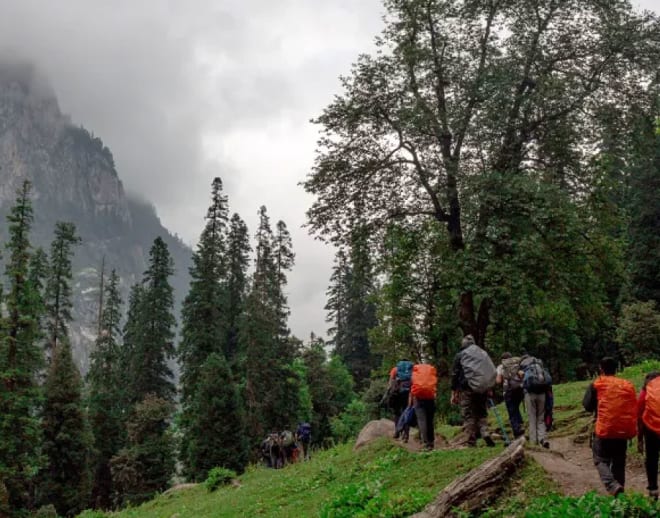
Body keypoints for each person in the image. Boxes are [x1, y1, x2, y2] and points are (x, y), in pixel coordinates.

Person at [583, 357, 637, 496]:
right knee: (619, 462)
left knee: (600, 459)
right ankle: (620, 498)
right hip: (623, 431)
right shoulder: (627, 385)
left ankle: (612, 485)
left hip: (604, 430)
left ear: (601, 369)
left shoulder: (597, 384)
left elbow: (587, 406)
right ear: (616, 369)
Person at [451, 335, 496, 447]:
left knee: (468, 414)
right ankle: (485, 432)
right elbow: (488, 371)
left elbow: (455, 374)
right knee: (481, 412)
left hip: (466, 389)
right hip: (482, 388)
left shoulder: (460, 355)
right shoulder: (483, 354)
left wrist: (454, 392)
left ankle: (471, 440)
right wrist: (489, 387)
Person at [637, 371, 660, 500]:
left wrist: (639, 439)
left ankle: (653, 489)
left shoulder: (645, 393)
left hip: (650, 430)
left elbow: (639, 417)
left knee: (652, 458)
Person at [520, 354, 551, 448]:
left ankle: (533, 442)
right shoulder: (539, 364)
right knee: (541, 418)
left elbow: (522, 382)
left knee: (532, 418)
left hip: (530, 394)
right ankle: (543, 438)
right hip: (542, 393)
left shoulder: (522, 367)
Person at [410, 362, 438, 450]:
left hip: (418, 398)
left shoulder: (414, 373)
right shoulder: (432, 371)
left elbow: (412, 387)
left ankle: (425, 443)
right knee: (430, 420)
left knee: (422, 420)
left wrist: (410, 402)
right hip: (430, 398)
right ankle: (431, 442)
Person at [496, 352, 525, 438]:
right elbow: (522, 375)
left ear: (502, 360)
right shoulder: (517, 364)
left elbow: (498, 381)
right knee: (515, 407)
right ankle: (520, 424)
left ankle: (517, 431)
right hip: (520, 390)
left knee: (511, 411)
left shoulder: (501, 367)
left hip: (508, 391)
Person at [384, 359, 414, 440]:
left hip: (397, 393)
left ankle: (397, 432)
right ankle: (406, 434)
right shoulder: (411, 370)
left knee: (397, 413)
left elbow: (390, 383)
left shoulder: (395, 369)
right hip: (408, 393)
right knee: (406, 411)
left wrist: (388, 392)